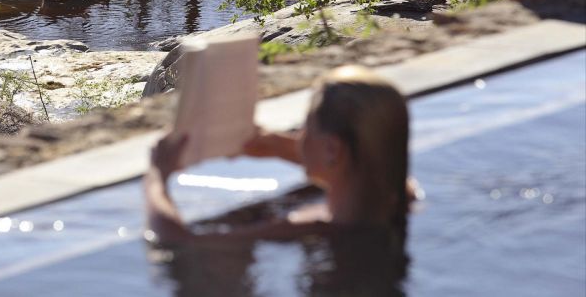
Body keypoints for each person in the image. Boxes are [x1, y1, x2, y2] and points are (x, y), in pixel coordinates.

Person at [146, 65, 415, 244]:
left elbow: (177, 239)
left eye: (305, 129)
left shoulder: (309, 229)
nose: (299, 137)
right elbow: (381, 164)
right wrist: (278, 146)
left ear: (333, 150)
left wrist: (158, 174)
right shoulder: (400, 201)